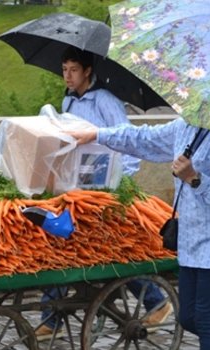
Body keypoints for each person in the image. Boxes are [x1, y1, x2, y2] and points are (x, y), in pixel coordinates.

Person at [67, 118, 210, 349]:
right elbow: (146, 138)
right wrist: (98, 134)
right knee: (188, 316)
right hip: (192, 236)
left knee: (207, 317)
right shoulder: (187, 126)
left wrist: (194, 178)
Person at [36, 47, 172, 339]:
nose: (67, 76)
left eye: (73, 70)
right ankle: (52, 314)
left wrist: (119, 185)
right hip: (78, 186)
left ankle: (155, 300)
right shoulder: (68, 102)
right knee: (68, 244)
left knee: (104, 250)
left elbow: (129, 141)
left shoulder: (106, 101)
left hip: (106, 188)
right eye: (64, 70)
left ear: (87, 71)